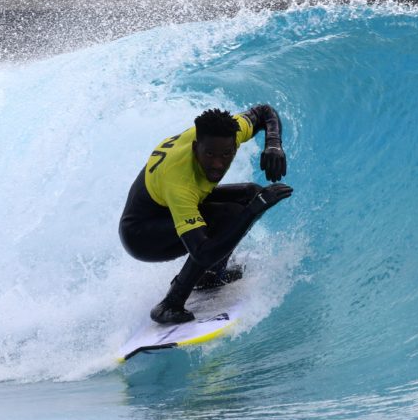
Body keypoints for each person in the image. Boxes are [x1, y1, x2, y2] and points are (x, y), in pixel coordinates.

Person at [119, 105, 293, 324]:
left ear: (235, 143)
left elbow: (264, 112)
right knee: (233, 214)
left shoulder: (230, 132)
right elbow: (202, 252)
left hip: (167, 207)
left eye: (226, 154)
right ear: (195, 148)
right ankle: (170, 303)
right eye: (209, 154)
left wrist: (273, 144)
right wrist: (252, 212)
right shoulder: (180, 183)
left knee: (251, 194)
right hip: (142, 234)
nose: (218, 164)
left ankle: (210, 277)